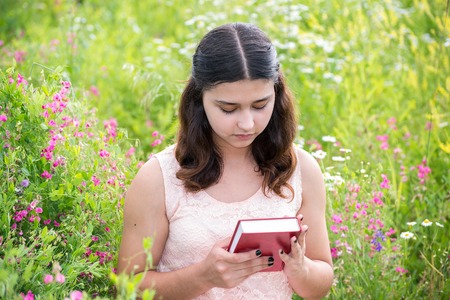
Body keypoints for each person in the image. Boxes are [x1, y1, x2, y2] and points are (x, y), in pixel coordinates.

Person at [117, 22, 334, 299]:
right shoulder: (159, 177)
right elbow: (126, 287)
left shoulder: (300, 169)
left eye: (260, 105)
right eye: (228, 108)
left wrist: (301, 269)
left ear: (277, 95)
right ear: (199, 99)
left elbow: (322, 281)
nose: (247, 123)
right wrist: (202, 277)